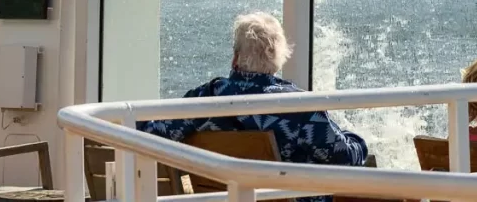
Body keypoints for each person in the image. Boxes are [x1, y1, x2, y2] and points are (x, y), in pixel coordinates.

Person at [138, 11, 368, 173]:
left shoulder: (205, 98)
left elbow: (151, 132)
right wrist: (356, 139)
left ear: (235, 57)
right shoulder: (298, 109)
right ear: (278, 58)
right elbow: (346, 157)